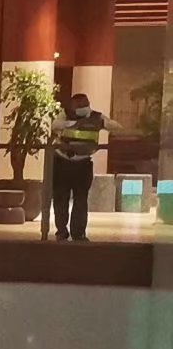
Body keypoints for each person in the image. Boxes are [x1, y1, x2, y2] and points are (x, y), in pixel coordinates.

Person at [51, 92, 109, 241]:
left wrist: (103, 123)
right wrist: (73, 123)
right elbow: (55, 126)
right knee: (61, 199)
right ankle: (61, 231)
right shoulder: (64, 115)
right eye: (79, 105)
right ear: (71, 106)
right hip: (63, 162)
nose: (82, 107)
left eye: (84, 104)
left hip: (83, 163)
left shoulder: (96, 117)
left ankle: (78, 233)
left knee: (81, 200)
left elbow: (114, 126)